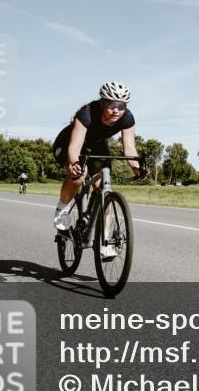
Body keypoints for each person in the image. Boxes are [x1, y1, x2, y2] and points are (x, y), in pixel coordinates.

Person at [50, 81, 147, 259]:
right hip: (69, 143)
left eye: (121, 106)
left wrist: (137, 169)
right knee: (78, 177)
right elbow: (75, 146)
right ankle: (62, 211)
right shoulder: (86, 113)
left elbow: (129, 149)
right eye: (111, 104)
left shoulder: (127, 118)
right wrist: (74, 163)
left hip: (97, 146)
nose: (116, 110)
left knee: (104, 187)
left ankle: (106, 241)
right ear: (102, 103)